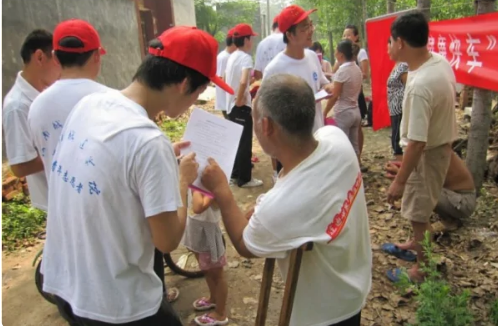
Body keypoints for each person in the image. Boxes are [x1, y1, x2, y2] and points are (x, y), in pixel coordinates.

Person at [41, 26, 233, 325]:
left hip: (66, 285)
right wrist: (180, 180)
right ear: (183, 84)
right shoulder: (147, 141)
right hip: (117, 306)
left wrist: (160, 159)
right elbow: (167, 240)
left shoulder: (90, 104)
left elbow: (111, 164)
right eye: (199, 91)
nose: (195, 101)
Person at [201, 74, 372, 326]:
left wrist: (222, 191)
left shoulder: (285, 206)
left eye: (254, 116)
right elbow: (294, 180)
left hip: (323, 315)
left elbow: (244, 244)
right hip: (353, 287)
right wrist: (265, 204)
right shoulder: (335, 138)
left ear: (267, 126)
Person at [386, 12, 458, 283]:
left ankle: (421, 269)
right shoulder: (438, 63)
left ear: (401, 42)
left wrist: (399, 181)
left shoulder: (420, 86)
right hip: (438, 148)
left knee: (418, 213)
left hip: (427, 155)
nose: (390, 46)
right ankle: (414, 246)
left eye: (391, 41)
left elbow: (417, 142)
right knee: (421, 206)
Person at [264, 4, 332, 181]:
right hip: (291, 146)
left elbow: (322, 83)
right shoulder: (276, 68)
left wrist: (328, 88)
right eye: (304, 28)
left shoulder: (311, 57)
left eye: (310, 25)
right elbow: (266, 109)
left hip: (316, 136)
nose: (310, 31)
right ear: (289, 34)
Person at [2, 29, 61, 211]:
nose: (61, 68)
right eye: (58, 61)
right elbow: (20, 167)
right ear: (40, 57)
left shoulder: (46, 92)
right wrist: (63, 152)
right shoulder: (17, 106)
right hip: (53, 200)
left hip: (65, 194)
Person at [384, 151, 476, 234]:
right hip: (449, 194)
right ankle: (447, 218)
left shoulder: (436, 152)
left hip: (462, 201)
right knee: (415, 186)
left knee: (418, 188)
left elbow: (423, 182)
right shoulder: (430, 150)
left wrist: (401, 177)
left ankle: (450, 221)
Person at [182, 190, 228, 326]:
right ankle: (213, 298)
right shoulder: (198, 181)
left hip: (208, 233)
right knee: (206, 269)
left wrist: (195, 186)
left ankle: (220, 313)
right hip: (196, 228)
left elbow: (198, 207)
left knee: (217, 275)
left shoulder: (210, 185)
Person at [225, 23, 262, 188]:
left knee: (235, 142)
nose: (252, 42)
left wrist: (245, 85)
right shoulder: (246, 58)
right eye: (251, 38)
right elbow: (241, 80)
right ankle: (245, 179)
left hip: (230, 106)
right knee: (244, 142)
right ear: (246, 40)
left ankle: (234, 175)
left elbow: (232, 78)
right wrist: (240, 99)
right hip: (240, 105)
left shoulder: (232, 55)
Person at [323, 40, 363, 160]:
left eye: (336, 52)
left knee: (343, 147)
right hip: (355, 110)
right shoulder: (357, 69)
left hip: (343, 112)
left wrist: (324, 112)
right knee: (354, 146)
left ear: (340, 54)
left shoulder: (342, 71)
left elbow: (335, 95)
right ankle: (357, 170)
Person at [387, 38, 408, 159]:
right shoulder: (397, 65)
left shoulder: (404, 67)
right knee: (395, 139)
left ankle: (400, 168)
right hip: (394, 110)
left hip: (400, 110)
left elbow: (408, 88)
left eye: (388, 47)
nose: (388, 51)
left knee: (398, 143)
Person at [253, 14, 286, 81]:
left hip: (268, 87)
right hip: (287, 85)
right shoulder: (289, 41)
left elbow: (257, 74)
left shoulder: (261, 44)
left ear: (273, 28)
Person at [215, 28, 236, 119]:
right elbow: (219, 79)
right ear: (233, 43)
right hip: (226, 101)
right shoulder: (223, 58)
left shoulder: (231, 56)